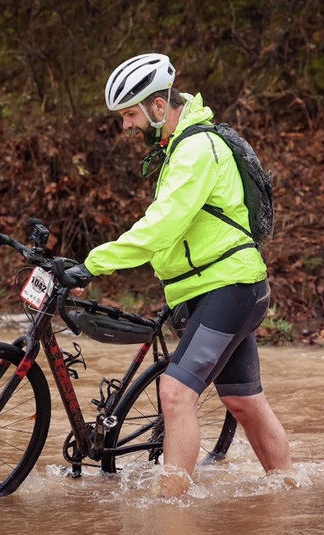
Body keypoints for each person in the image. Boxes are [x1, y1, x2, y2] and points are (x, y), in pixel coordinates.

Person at [64, 53, 293, 496]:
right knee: (244, 400)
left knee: (174, 394)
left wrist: (90, 265)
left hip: (229, 287)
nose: (126, 126)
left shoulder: (195, 149)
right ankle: (287, 493)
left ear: (156, 106)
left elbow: (162, 225)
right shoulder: (179, 147)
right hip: (219, 288)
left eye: (130, 114)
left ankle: (170, 514)